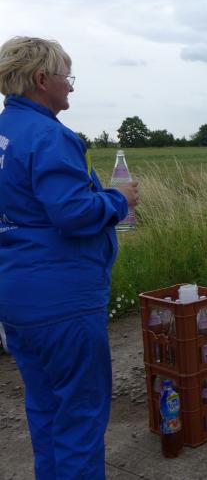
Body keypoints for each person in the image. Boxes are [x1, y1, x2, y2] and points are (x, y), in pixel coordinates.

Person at [0, 36, 139, 478]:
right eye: (67, 77)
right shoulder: (50, 136)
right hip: (63, 301)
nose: (71, 87)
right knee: (79, 417)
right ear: (42, 79)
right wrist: (118, 198)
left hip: (17, 298)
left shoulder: (5, 134)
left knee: (45, 410)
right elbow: (74, 213)